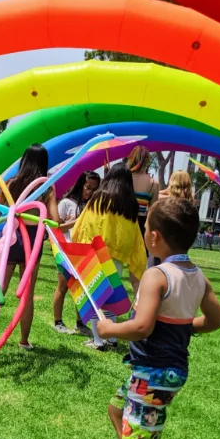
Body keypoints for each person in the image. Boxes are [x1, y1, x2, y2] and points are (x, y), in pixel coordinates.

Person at [96, 197, 220, 439]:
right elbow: (216, 319)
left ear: (153, 237)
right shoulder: (197, 276)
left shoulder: (157, 275)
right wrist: (184, 327)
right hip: (159, 372)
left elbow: (141, 327)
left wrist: (108, 330)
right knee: (116, 409)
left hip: (152, 374)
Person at [0, 144, 60, 350]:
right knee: (27, 293)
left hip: (9, 237)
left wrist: (10, 217)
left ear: (23, 160)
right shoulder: (46, 188)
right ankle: (24, 341)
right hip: (31, 242)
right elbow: (55, 219)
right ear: (44, 163)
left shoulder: (11, 183)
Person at [72, 164, 147, 350]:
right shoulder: (131, 203)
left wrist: (78, 242)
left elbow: (85, 224)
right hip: (117, 257)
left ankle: (97, 341)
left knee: (96, 297)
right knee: (111, 298)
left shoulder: (99, 198)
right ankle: (111, 339)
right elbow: (134, 232)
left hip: (97, 254)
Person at [53, 171, 101, 335]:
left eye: (95, 189)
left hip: (84, 252)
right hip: (65, 251)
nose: (90, 192)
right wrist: (77, 220)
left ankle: (80, 323)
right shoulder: (66, 203)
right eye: (88, 188)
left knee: (82, 289)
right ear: (80, 185)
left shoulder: (93, 208)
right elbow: (56, 228)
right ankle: (57, 321)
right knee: (63, 286)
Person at [127, 146, 159, 236]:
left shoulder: (123, 177)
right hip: (140, 224)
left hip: (122, 219)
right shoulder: (153, 183)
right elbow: (152, 211)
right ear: (147, 161)